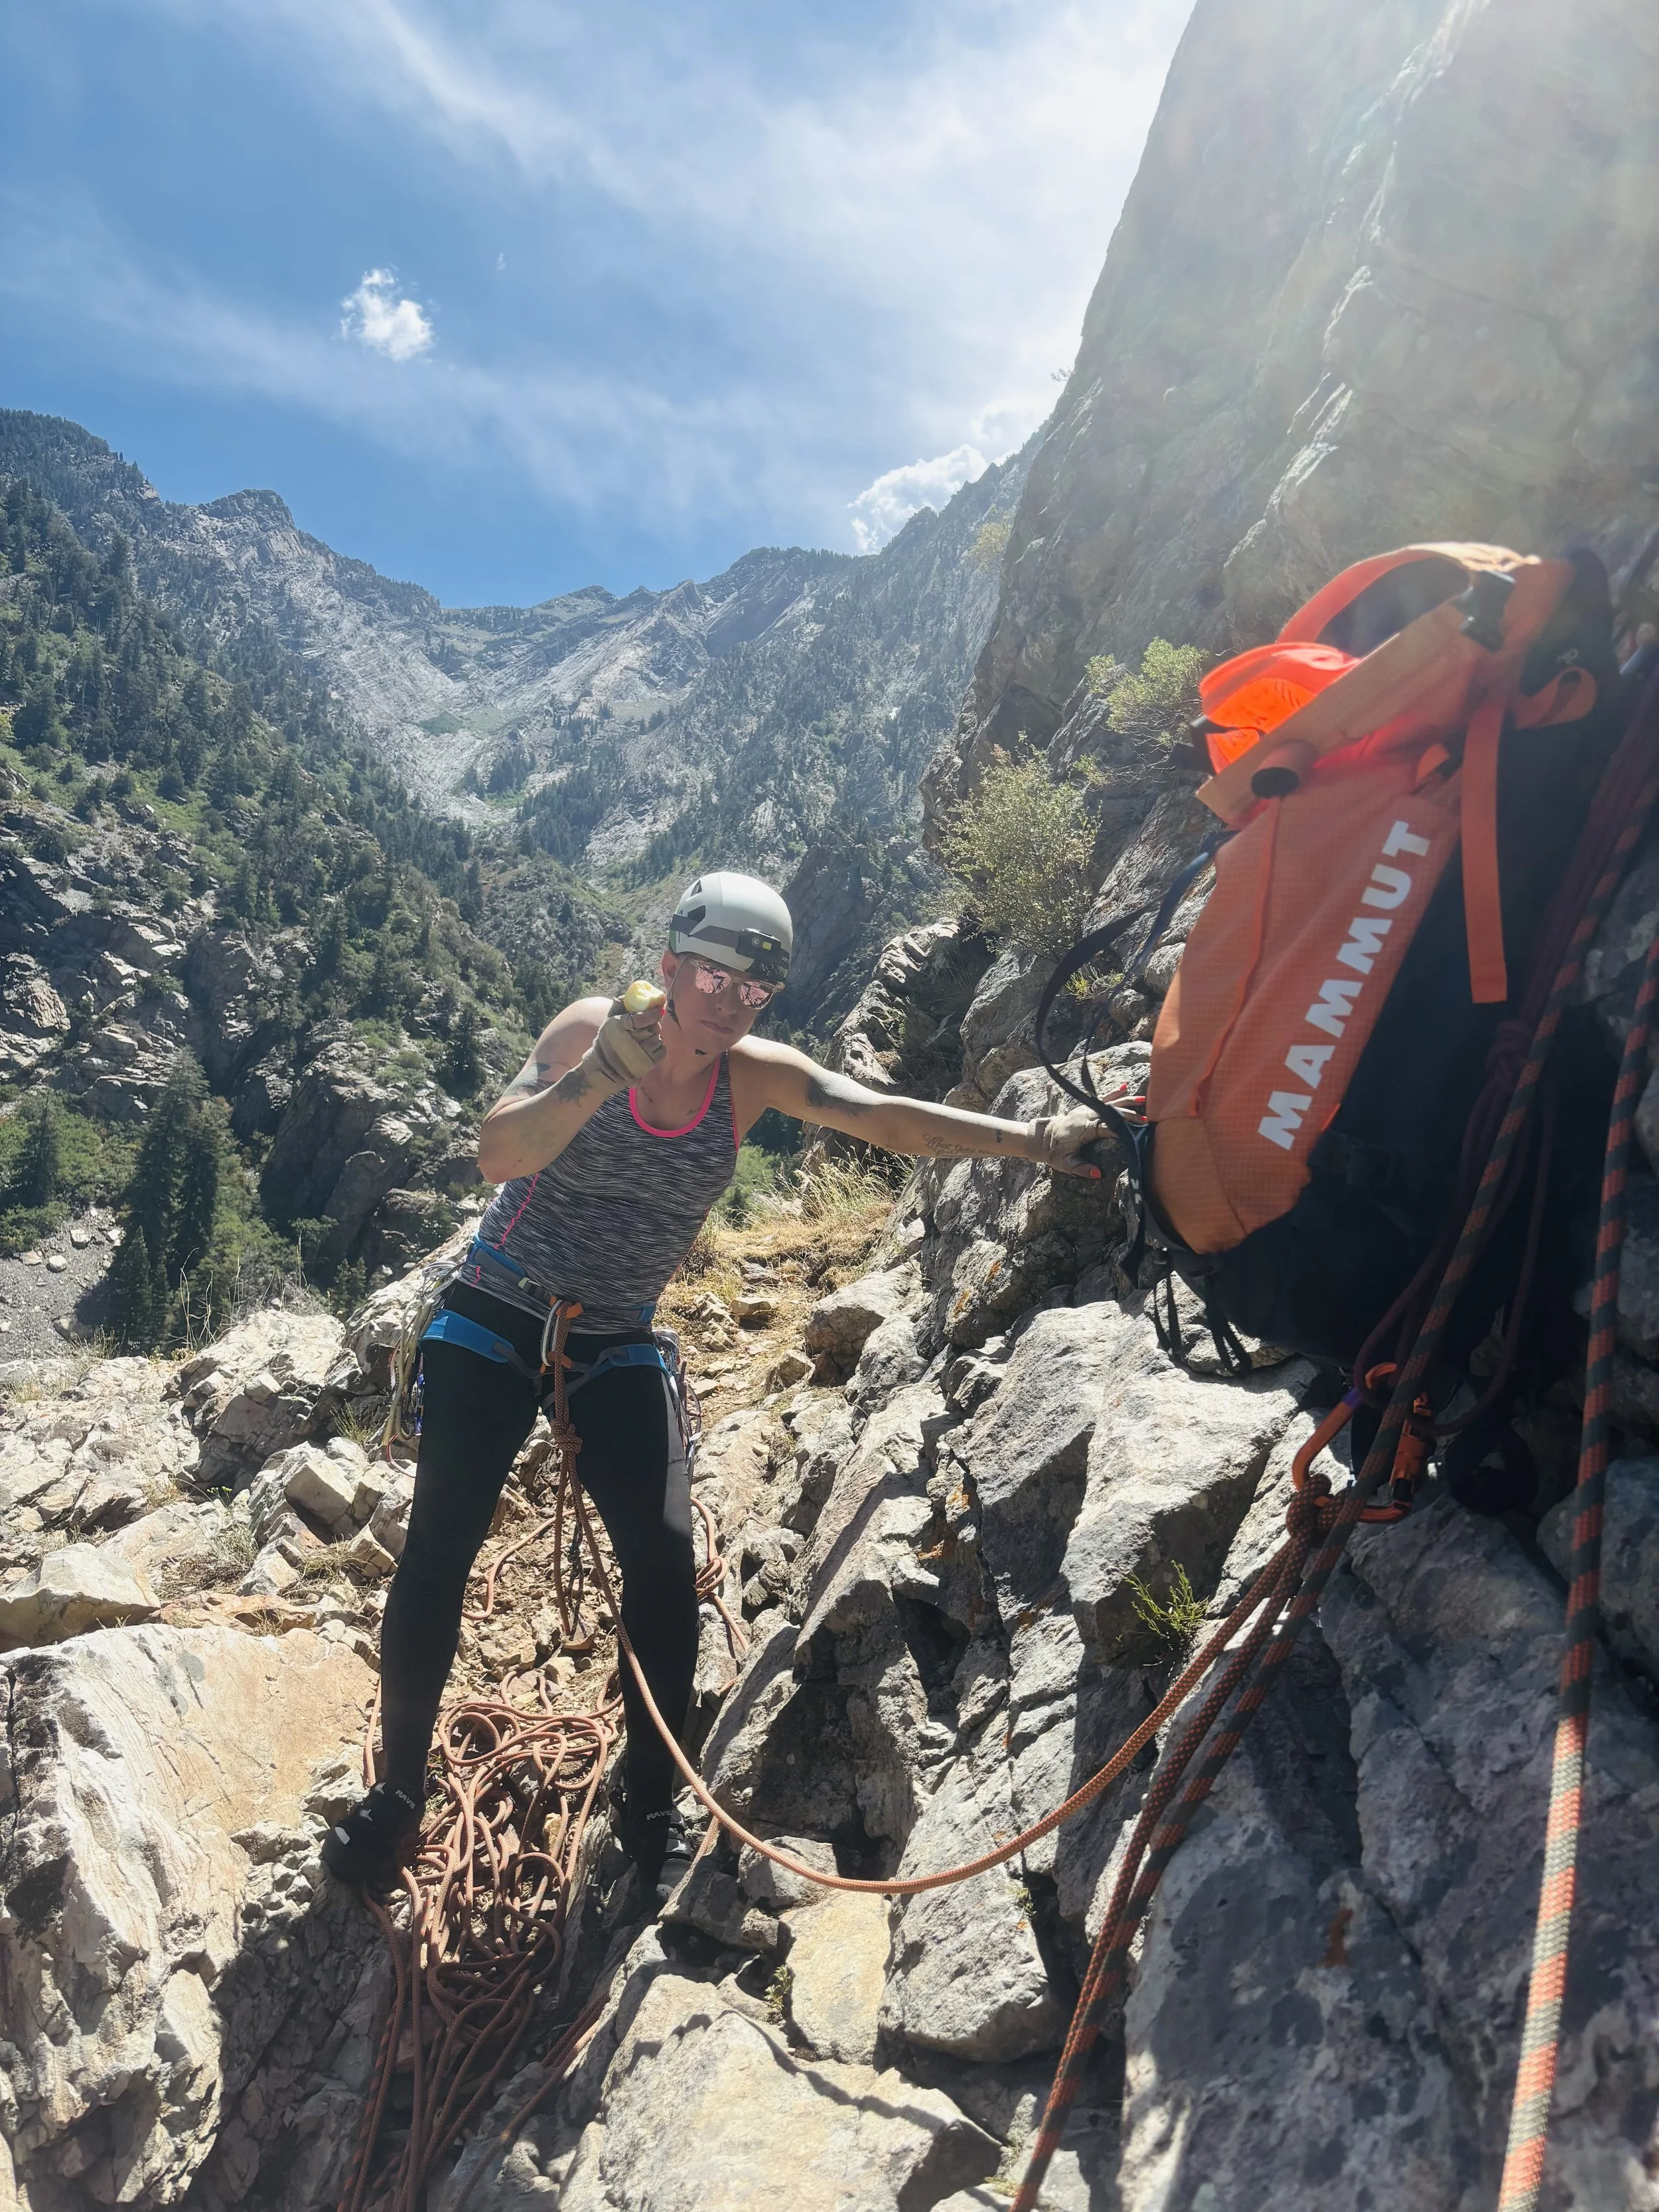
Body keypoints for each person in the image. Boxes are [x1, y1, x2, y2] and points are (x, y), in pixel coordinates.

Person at [323, 871, 1110, 1900]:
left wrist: (1038, 1143)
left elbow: (886, 1120)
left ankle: (647, 1806)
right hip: (496, 1311)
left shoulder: (753, 1078)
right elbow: (495, 1153)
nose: (728, 1001)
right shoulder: (588, 1033)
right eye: (712, 974)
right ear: (670, 969)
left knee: (663, 1562)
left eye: (752, 988)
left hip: (614, 1335)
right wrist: (599, 1076)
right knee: (440, 1551)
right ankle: (398, 1801)